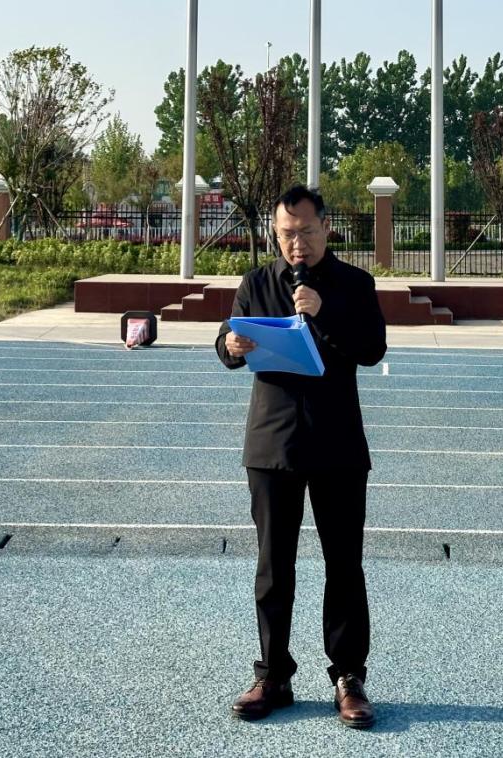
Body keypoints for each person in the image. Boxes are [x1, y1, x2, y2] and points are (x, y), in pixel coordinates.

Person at [216, 185, 387, 729]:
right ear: (275, 233)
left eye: (307, 232)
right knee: (273, 567)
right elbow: (226, 342)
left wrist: (324, 311)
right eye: (287, 234)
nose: (297, 243)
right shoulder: (256, 283)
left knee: (344, 565)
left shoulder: (354, 284)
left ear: (326, 227)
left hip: (337, 444)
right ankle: (273, 674)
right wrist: (230, 346)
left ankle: (348, 676)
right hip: (273, 444)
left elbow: (373, 348)